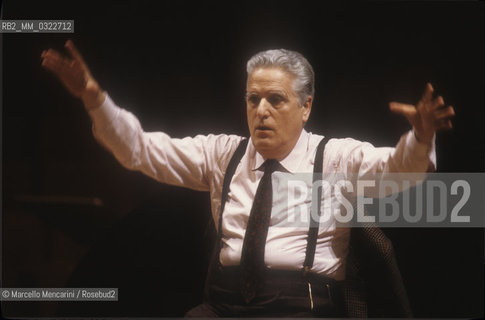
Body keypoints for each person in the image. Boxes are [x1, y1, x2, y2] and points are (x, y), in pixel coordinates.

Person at [41, 40, 454, 317]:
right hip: (222, 305)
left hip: (301, 306)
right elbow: (141, 150)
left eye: (276, 99)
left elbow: (400, 171)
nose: (261, 111)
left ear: (306, 107)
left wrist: (420, 135)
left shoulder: (336, 158)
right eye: (253, 99)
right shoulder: (223, 153)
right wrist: (94, 98)